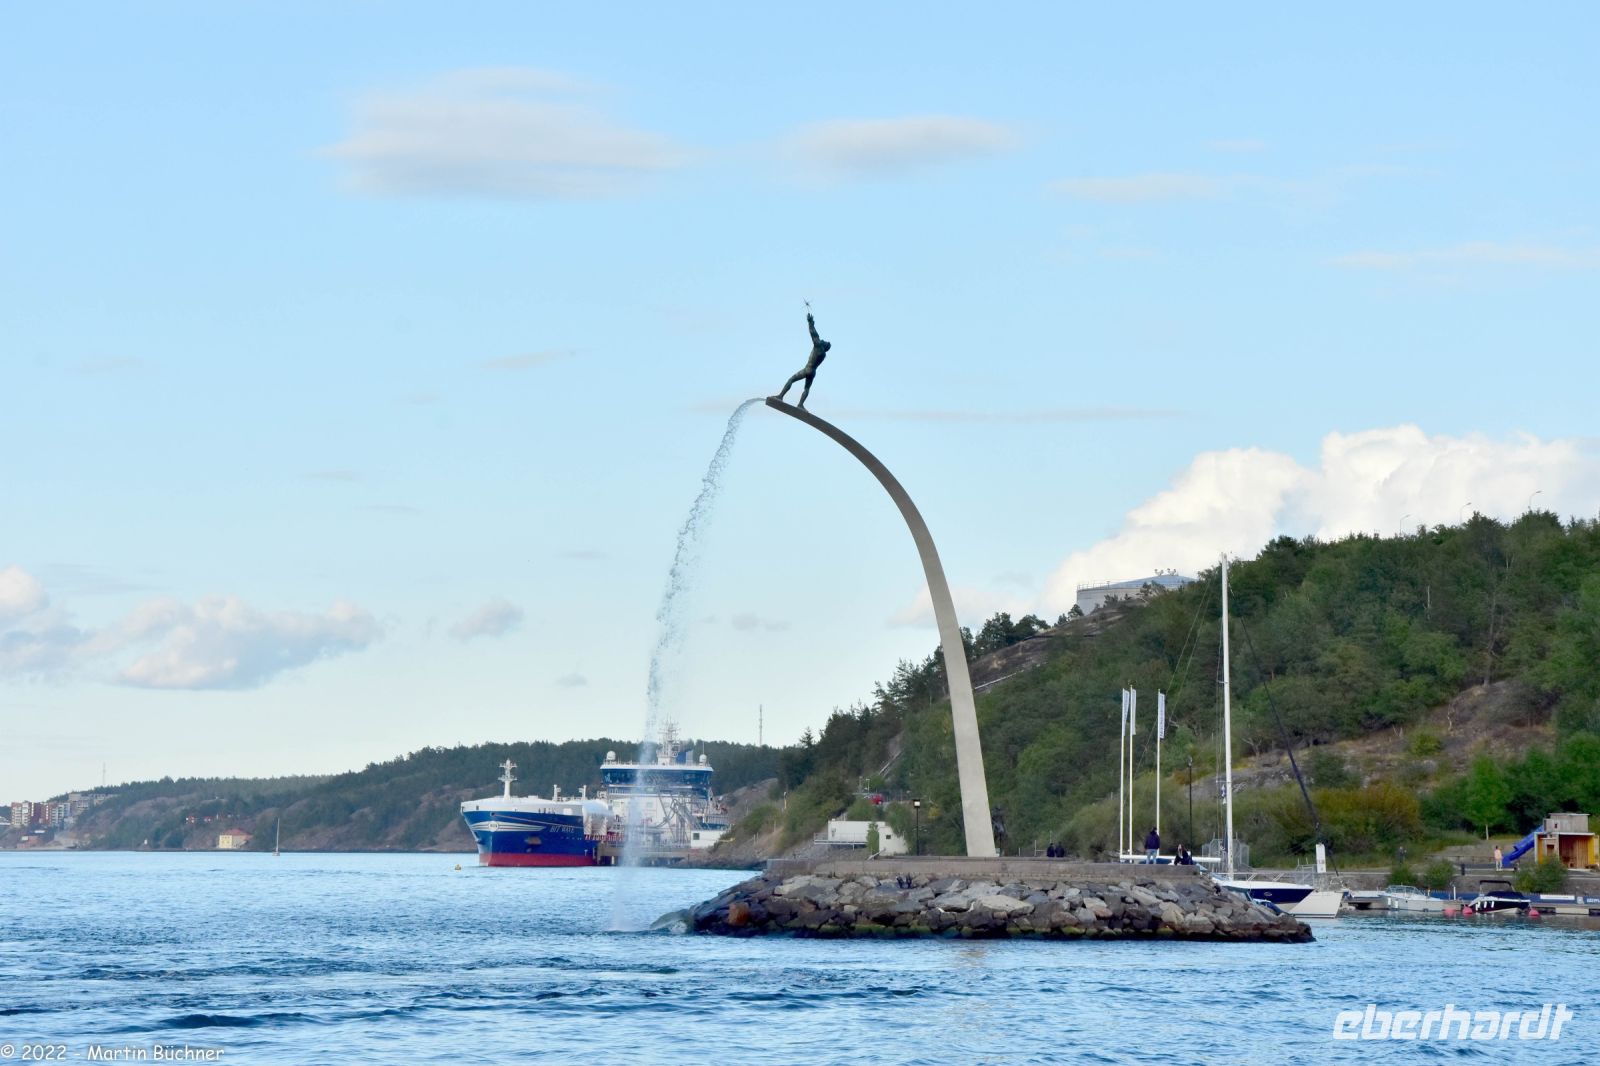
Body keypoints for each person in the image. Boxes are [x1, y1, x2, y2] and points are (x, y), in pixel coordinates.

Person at [775, 311, 832, 409]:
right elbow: (816, 336)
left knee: (791, 379)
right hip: (813, 372)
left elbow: (814, 334)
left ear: (824, 346)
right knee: (806, 388)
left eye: (824, 341)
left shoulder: (819, 347)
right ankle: (800, 404)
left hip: (807, 370)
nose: (822, 340)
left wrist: (810, 323)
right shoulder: (823, 354)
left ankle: (780, 396)